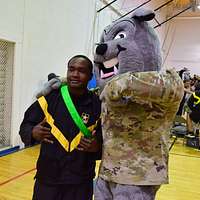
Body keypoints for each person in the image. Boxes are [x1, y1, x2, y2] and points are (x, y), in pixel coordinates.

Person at [19, 55, 102, 200]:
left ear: (90, 76)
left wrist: (97, 147)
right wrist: (32, 132)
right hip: (48, 178)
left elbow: (107, 140)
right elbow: (25, 125)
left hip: (80, 182)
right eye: (71, 69)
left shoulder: (98, 106)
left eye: (81, 71)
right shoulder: (49, 100)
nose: (75, 74)